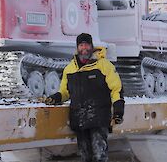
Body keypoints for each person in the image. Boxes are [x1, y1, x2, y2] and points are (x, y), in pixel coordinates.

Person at [45, 33, 124, 162]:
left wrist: (118, 111)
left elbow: (117, 89)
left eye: (87, 44)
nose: (84, 48)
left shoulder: (104, 65)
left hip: (98, 118)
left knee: (99, 157)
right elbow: (65, 92)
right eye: (81, 45)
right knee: (85, 157)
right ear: (77, 48)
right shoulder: (70, 69)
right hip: (79, 119)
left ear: (92, 46)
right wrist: (55, 98)